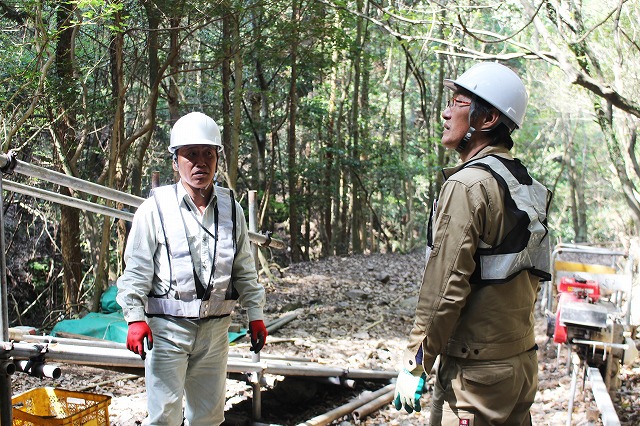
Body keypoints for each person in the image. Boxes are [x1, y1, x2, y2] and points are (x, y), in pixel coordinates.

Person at [393, 62, 552, 425]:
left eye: (457, 103)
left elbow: (444, 287)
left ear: (487, 118)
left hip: (476, 376)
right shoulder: (525, 185)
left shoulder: (467, 186)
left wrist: (415, 363)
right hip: (520, 364)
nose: (445, 113)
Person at [116, 111, 268, 426]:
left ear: (217, 160)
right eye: (191, 154)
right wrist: (134, 318)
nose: (200, 163)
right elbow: (137, 270)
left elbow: (244, 269)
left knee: (209, 418)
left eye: (207, 154)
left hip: (216, 332)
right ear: (176, 161)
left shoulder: (231, 209)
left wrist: (256, 315)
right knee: (164, 417)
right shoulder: (154, 209)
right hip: (168, 331)